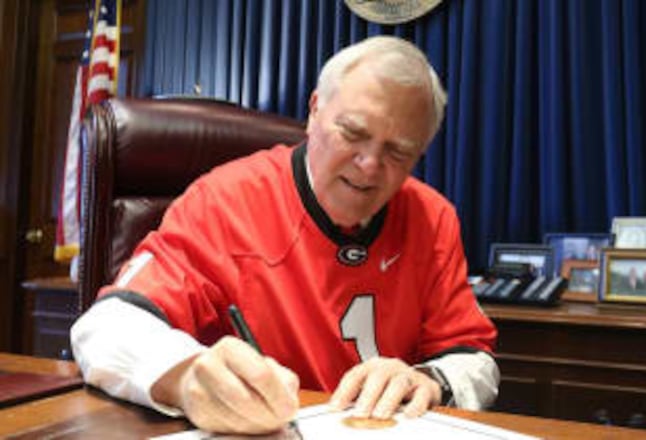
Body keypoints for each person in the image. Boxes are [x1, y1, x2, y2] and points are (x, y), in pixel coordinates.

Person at [70, 36, 499, 435]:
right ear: (314, 111)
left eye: (397, 151)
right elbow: (104, 326)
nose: (369, 165)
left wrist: (427, 378)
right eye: (352, 133)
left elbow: (475, 359)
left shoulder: (433, 217)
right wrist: (184, 374)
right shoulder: (227, 201)